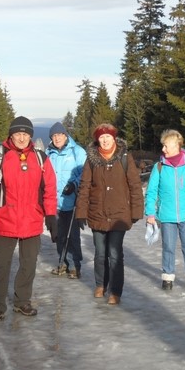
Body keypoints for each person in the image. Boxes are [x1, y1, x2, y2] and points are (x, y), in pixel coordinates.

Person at [0, 116, 58, 320]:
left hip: (31, 220)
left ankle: (22, 301)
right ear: (11, 135)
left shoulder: (40, 158)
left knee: (28, 264)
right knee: (0, 265)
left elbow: (49, 189)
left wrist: (50, 214)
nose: (21, 138)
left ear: (30, 136)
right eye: (18, 134)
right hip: (4, 220)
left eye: (25, 134)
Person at [75, 123, 143, 306]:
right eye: (101, 137)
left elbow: (135, 186)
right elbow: (85, 187)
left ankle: (115, 290)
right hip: (97, 212)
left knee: (114, 254)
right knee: (99, 253)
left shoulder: (125, 158)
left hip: (119, 214)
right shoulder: (91, 160)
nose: (105, 141)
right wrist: (81, 212)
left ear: (114, 138)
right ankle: (100, 284)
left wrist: (136, 211)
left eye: (108, 137)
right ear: (97, 139)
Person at [144, 129, 185, 292]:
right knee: (168, 247)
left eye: (165, 146)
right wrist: (150, 213)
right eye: (162, 146)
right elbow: (151, 192)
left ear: (176, 145)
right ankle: (168, 277)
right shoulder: (159, 167)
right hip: (166, 216)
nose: (163, 149)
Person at [46, 121, 87, 279]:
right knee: (58, 234)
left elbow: (85, 172)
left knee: (72, 235)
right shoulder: (49, 153)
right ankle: (63, 263)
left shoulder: (77, 152)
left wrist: (74, 184)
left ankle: (75, 265)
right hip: (54, 202)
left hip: (71, 201)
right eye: (54, 136)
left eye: (60, 135)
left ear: (66, 135)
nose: (57, 138)